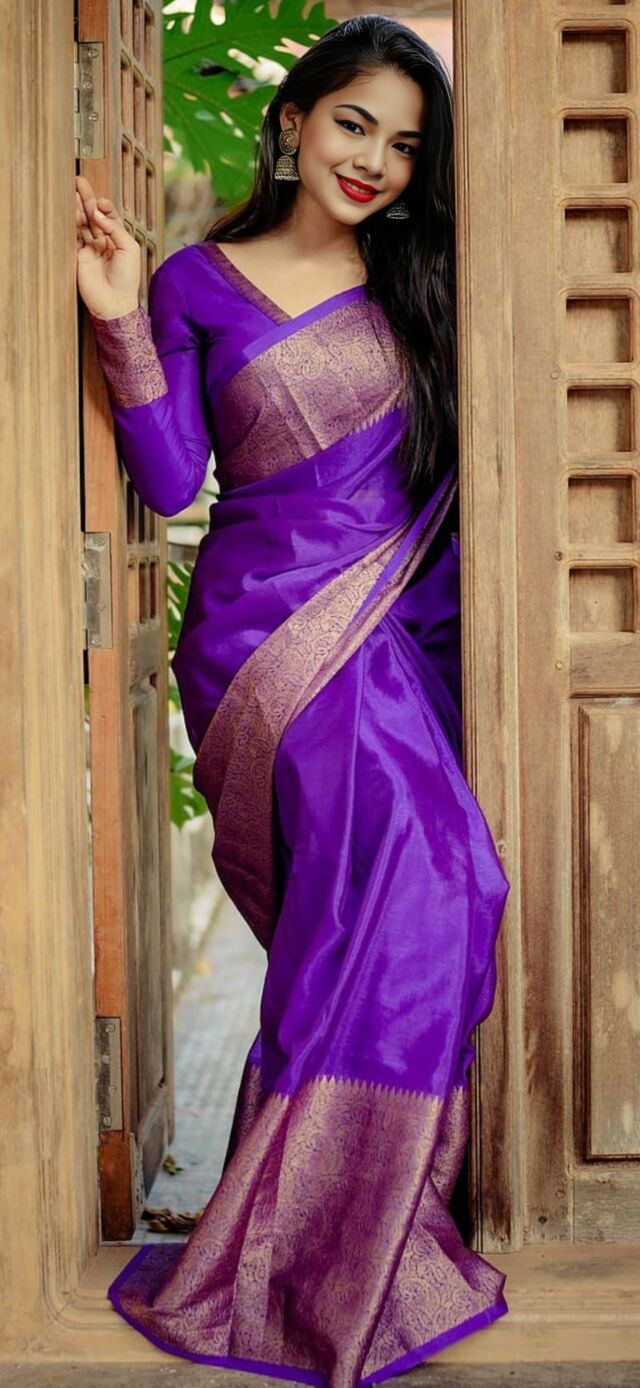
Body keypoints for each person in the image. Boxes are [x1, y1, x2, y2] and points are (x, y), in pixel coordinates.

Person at [75, 14, 511, 1387]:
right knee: (419, 879)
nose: (373, 159)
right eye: (352, 123)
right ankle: (319, 1237)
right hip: (266, 640)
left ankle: (331, 1231)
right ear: (295, 120)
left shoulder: (426, 281)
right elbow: (170, 475)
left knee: (418, 895)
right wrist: (118, 313)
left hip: (401, 631)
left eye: (405, 144)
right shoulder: (200, 282)